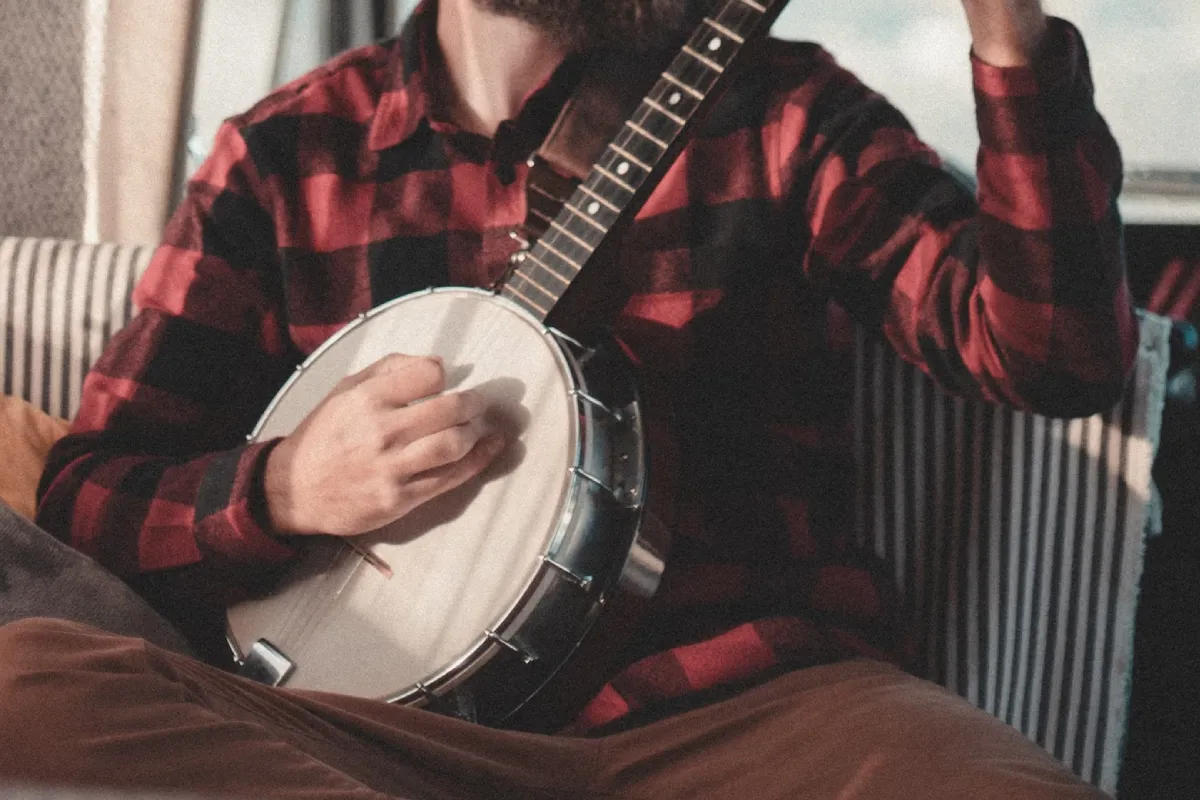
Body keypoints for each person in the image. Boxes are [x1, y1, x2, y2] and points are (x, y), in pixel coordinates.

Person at [0, 0, 1135, 796]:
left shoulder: (782, 109)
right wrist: (284, 485)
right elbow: (90, 493)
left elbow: (1052, 356)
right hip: (374, 739)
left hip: (760, 719)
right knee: (28, 688)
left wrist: (1009, 35)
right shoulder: (283, 155)